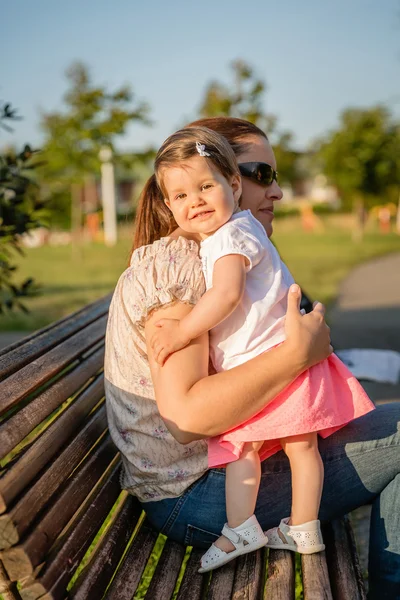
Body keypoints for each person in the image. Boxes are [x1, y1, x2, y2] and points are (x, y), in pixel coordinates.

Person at [104, 117, 400, 598]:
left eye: (275, 176)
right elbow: (187, 417)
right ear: (228, 178)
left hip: (222, 472)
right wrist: (296, 356)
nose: (277, 191)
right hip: (196, 495)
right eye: (262, 173)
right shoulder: (178, 269)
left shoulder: (222, 254)